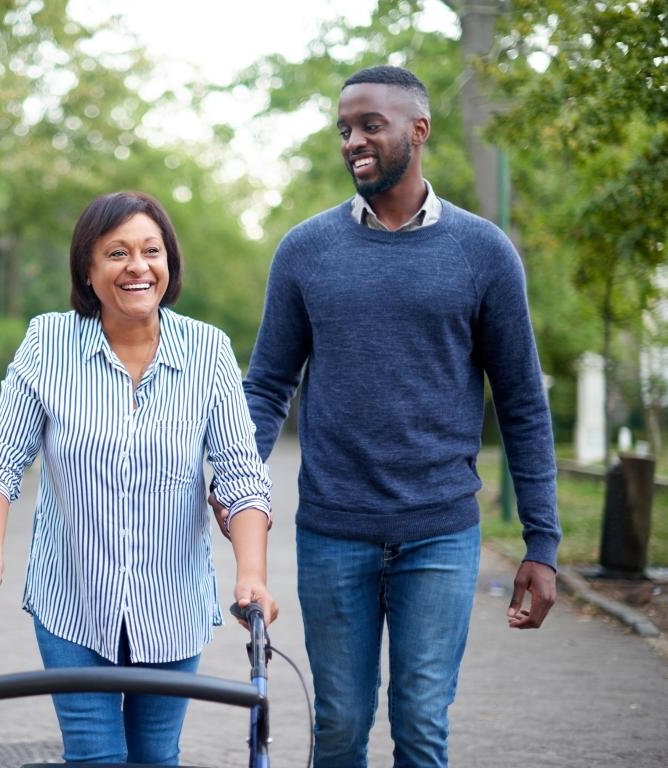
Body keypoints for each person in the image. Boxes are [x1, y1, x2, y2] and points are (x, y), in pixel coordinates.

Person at [229, 65, 562, 767]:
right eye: (344, 129)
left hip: (440, 534)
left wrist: (541, 543)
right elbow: (266, 386)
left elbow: (524, 404)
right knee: (341, 726)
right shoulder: (305, 251)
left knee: (421, 727)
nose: (353, 141)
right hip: (331, 531)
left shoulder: (484, 253)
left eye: (369, 125)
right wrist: (237, 478)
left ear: (419, 129)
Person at [0, 191, 278, 765]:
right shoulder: (49, 342)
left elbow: (240, 475)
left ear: (169, 263)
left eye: (151, 251)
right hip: (73, 598)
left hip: (171, 603)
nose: (137, 266)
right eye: (117, 252)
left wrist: (251, 575)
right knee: (95, 757)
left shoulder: (208, 351)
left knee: (156, 756)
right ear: (88, 267)